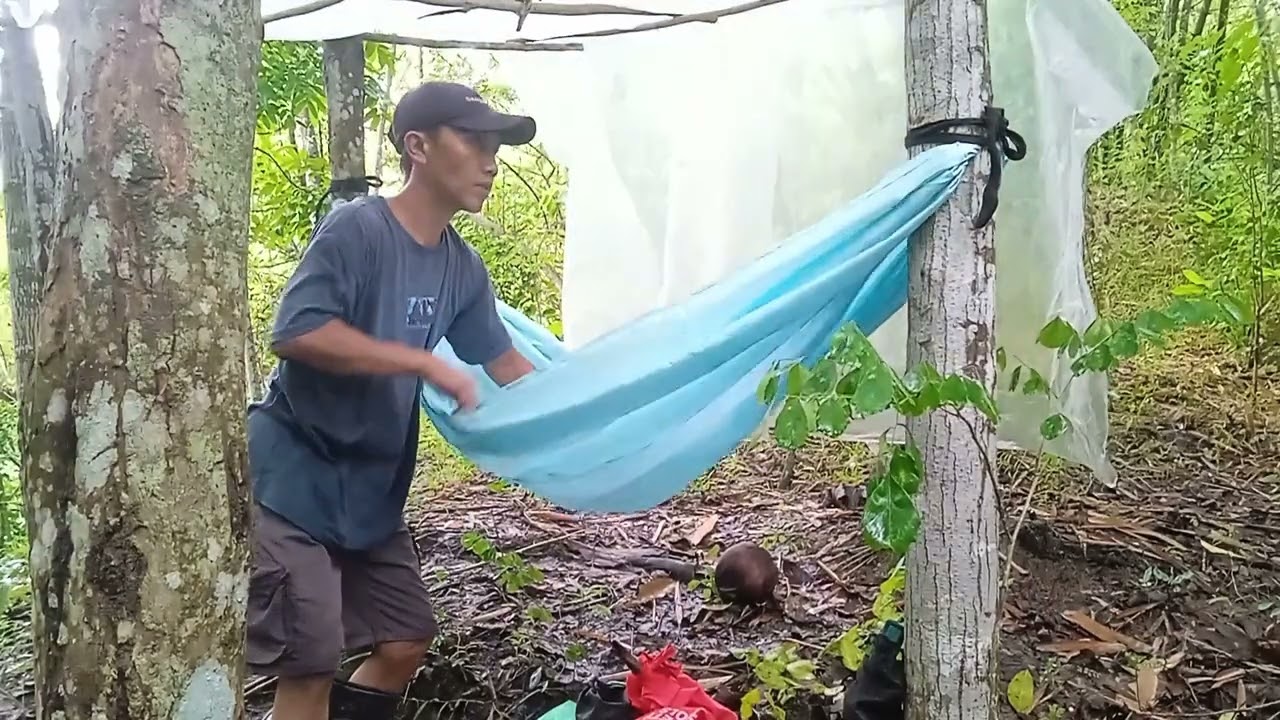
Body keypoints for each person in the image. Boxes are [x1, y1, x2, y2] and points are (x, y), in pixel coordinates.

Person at [245, 81, 537, 720]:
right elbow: (296, 332)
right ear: (418, 146)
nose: (490, 162)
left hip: (373, 491)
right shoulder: (359, 229)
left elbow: (511, 366)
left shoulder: (461, 267)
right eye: (475, 142)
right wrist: (423, 361)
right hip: (297, 479)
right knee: (311, 661)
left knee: (405, 641)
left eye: (497, 148)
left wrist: (608, 412)